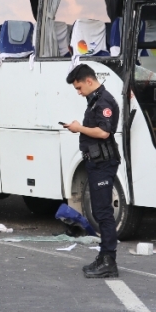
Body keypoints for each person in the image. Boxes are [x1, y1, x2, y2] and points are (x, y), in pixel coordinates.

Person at [63, 64, 122, 278]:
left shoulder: (104, 101)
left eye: (79, 88)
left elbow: (104, 132)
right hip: (96, 162)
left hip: (103, 163)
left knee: (104, 213)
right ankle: (104, 256)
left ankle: (109, 261)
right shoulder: (95, 99)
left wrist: (79, 128)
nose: (78, 92)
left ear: (89, 81)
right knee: (99, 211)